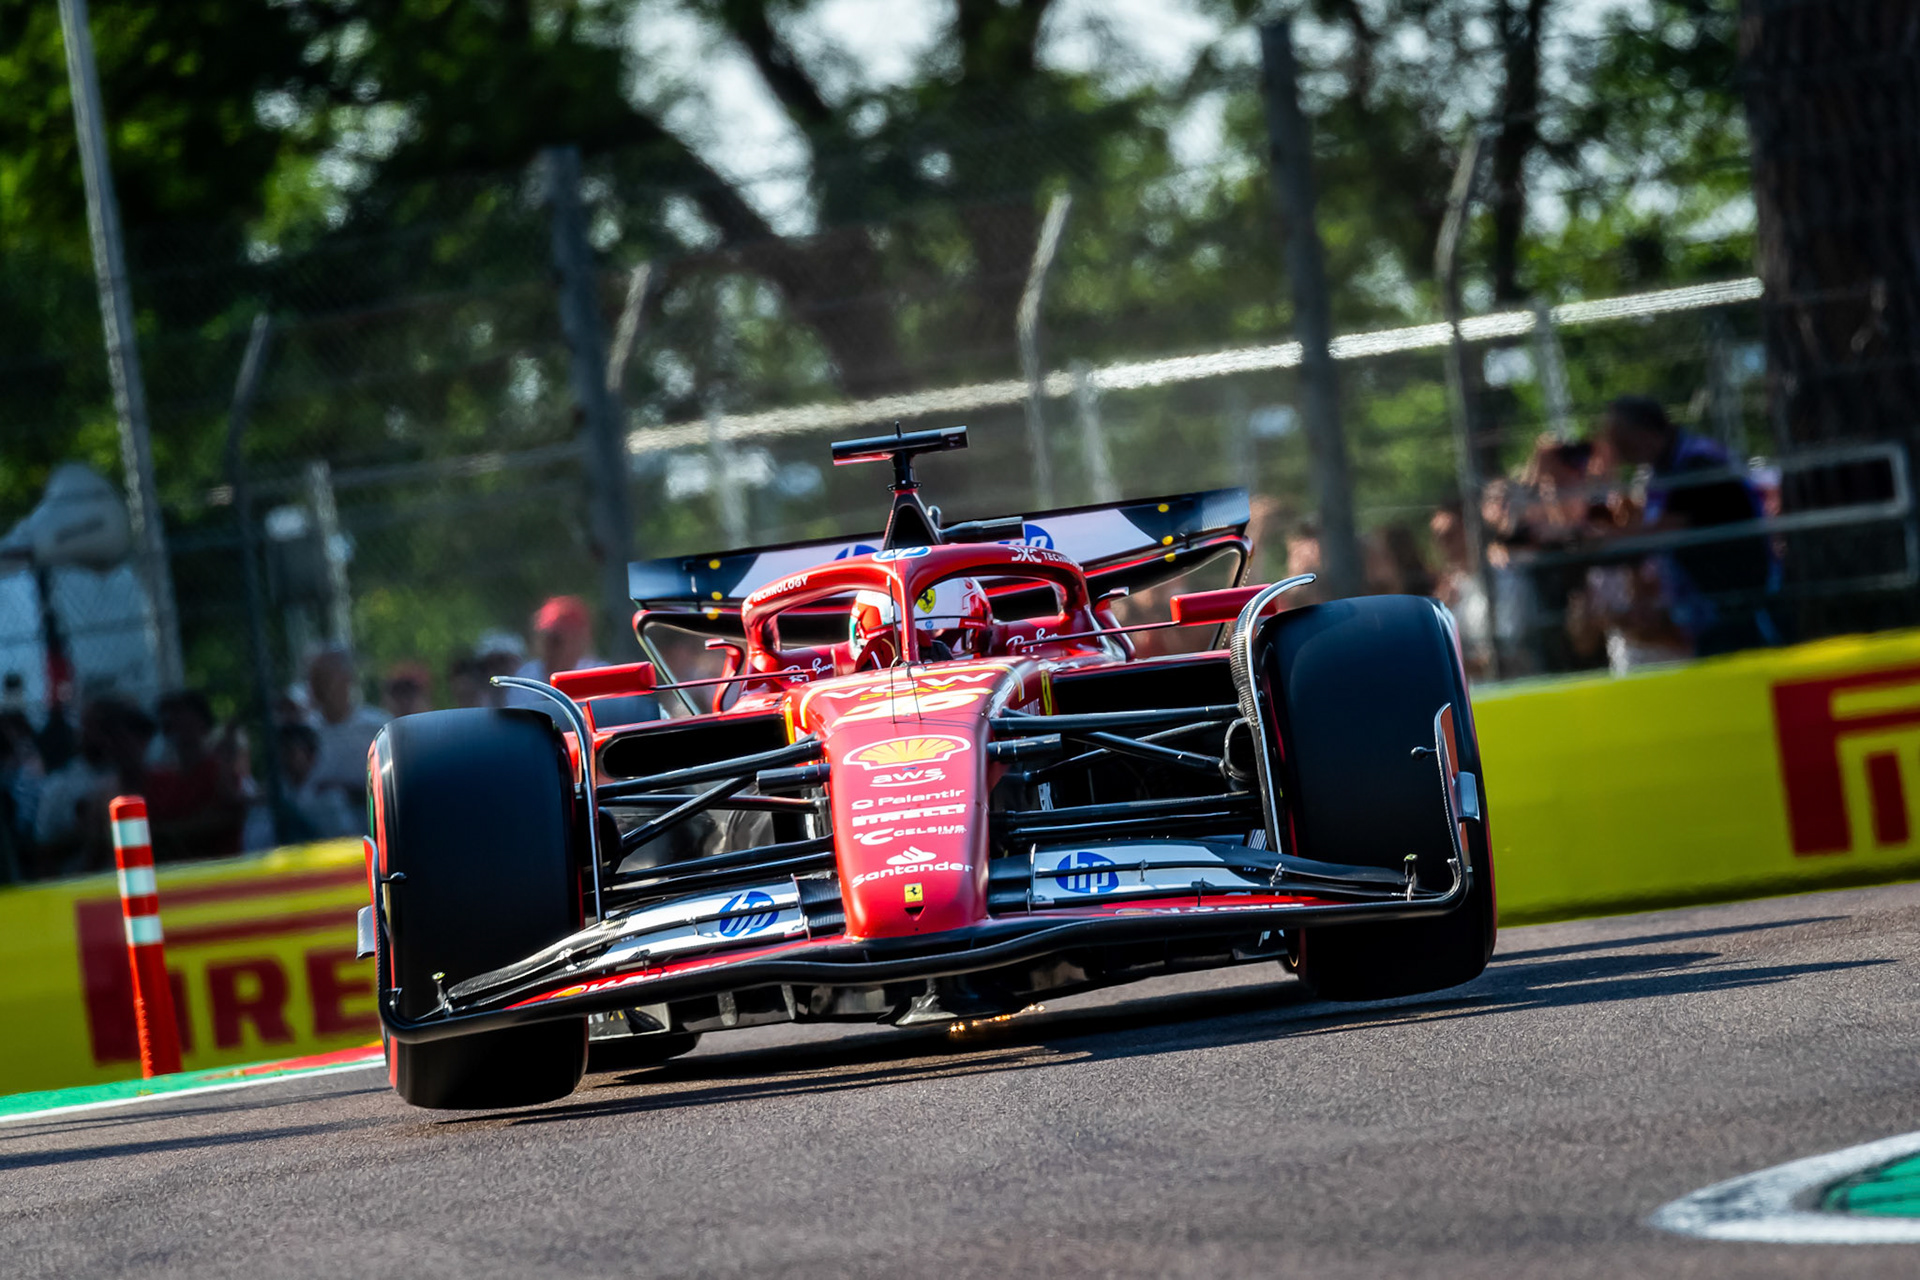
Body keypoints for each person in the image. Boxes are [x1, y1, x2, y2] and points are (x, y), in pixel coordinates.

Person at [1593, 395, 1776, 656]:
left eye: (1621, 440)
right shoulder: (1661, 471)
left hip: (1736, 609)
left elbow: (1660, 534)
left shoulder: (1698, 463)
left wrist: (1595, 540)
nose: (1617, 450)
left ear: (1644, 432)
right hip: (1703, 615)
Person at [145, 690, 246, 861]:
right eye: (171, 719)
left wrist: (179, 830)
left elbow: (231, 815)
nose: (176, 725)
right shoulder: (162, 779)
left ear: (201, 723)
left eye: (183, 718)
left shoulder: (218, 771)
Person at [303, 649, 389, 816]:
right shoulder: (307, 732)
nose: (323, 687)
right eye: (317, 679)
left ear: (348, 680)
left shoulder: (378, 727)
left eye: (329, 678)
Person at [505, 597, 603, 712]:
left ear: (579, 640)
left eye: (557, 640)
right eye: (545, 638)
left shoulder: (597, 675)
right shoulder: (527, 676)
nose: (549, 646)